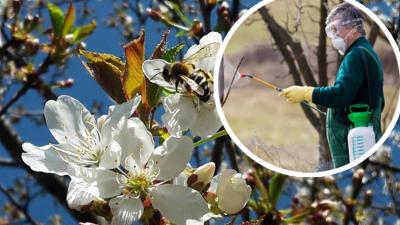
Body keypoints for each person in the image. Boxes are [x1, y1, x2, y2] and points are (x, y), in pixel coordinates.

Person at [279, 2, 384, 168]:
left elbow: (341, 94)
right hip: (361, 137)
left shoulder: (356, 55)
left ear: (354, 28)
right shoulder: (365, 51)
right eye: (330, 31)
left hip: (355, 144)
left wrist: (307, 93)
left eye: (336, 29)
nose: (333, 37)